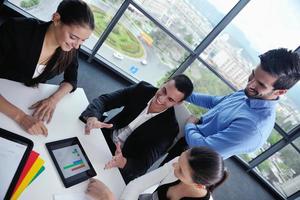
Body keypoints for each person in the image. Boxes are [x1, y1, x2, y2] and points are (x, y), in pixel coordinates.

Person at [162, 48, 300, 163]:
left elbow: (204, 148)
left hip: (194, 162)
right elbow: (215, 102)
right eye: (253, 75)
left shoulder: (254, 128)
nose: (250, 84)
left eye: (261, 84)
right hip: (189, 137)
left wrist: (190, 125)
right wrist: (183, 94)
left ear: (280, 91)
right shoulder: (249, 94)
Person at [0, 0, 94, 136]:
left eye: (83, 41)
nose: (77, 45)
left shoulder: (69, 47)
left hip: (24, 99)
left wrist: (53, 99)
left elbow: (71, 80)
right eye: (74, 37)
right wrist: (21, 117)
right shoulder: (17, 29)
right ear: (56, 19)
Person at [80, 74, 193, 183]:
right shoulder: (142, 89)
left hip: (119, 161)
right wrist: (93, 117)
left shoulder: (169, 130)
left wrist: (122, 162)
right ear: (165, 82)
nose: (161, 99)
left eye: (170, 99)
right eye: (164, 90)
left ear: (178, 103)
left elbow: (142, 165)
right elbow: (105, 100)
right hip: (104, 138)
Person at [86, 147, 228, 200]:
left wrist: (108, 198)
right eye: (181, 157)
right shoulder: (182, 162)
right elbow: (137, 185)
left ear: (198, 185)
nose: (174, 165)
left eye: (180, 170)